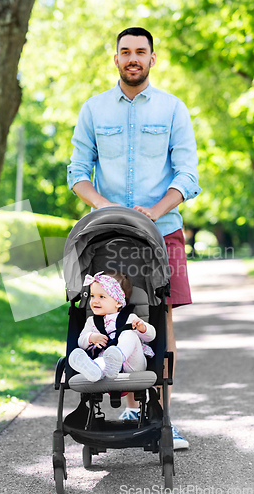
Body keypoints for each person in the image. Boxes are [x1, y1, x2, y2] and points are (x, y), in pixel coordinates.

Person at [67, 27, 202, 450]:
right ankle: (126, 407)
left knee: (160, 319)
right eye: (125, 51)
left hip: (162, 232)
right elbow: (76, 174)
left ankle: (165, 417)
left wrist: (157, 210)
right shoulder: (93, 109)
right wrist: (106, 207)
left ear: (152, 58)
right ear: (116, 58)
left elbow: (188, 175)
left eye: (140, 52)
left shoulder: (173, 108)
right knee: (112, 316)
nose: (133, 58)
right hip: (108, 237)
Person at [69, 271, 156, 383]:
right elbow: (81, 342)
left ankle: (117, 356)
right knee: (102, 360)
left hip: (133, 365)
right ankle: (95, 371)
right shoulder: (92, 321)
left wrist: (143, 328)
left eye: (101, 296)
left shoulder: (130, 318)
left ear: (118, 302)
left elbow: (151, 337)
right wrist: (91, 337)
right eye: (92, 296)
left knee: (130, 334)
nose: (95, 301)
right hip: (109, 368)